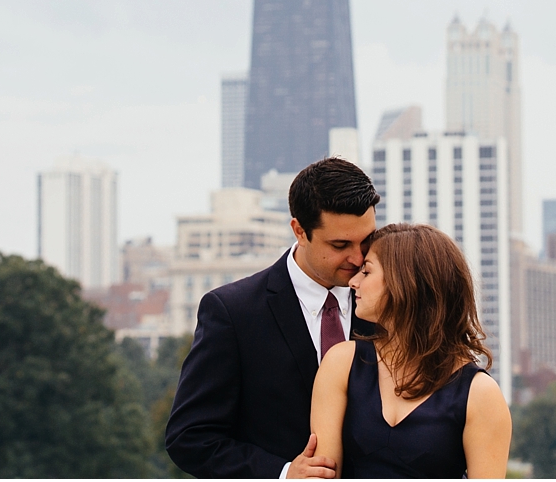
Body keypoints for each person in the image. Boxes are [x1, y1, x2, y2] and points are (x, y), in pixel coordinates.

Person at [166, 158, 381, 479]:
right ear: (299, 231)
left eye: (366, 240)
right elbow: (190, 437)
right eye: (340, 245)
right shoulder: (232, 312)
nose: (358, 257)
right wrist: (281, 474)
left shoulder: (389, 304)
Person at [309, 223, 512, 478]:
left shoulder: (480, 394)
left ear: (404, 283)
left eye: (366, 272)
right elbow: (323, 474)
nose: (353, 282)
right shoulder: (341, 363)